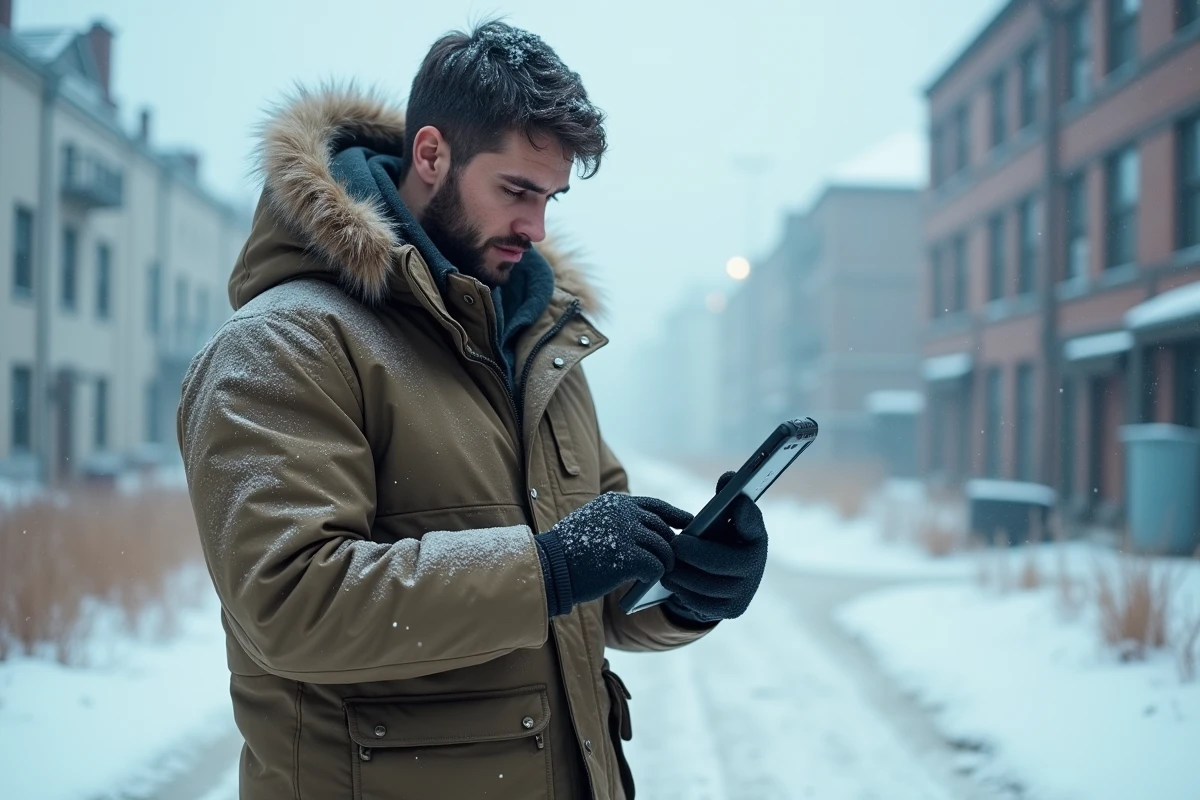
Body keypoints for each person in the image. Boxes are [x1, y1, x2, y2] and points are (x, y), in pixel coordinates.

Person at [177, 20, 769, 799]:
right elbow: (288, 605)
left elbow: (599, 594)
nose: (537, 226)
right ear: (431, 154)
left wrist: (688, 589)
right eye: (517, 190)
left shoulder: (538, 344)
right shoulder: (285, 343)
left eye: (550, 197)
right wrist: (546, 569)